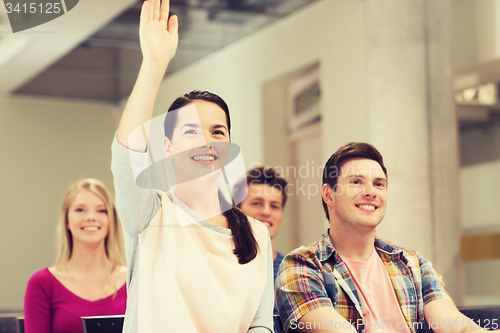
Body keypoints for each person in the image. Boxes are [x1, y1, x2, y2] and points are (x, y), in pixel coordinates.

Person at [111, 0, 273, 332]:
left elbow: (260, 324)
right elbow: (127, 155)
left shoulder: (257, 234)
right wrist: (154, 64)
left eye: (217, 132)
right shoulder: (150, 215)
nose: (207, 142)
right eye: (191, 131)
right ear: (167, 147)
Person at [275, 142, 499, 333]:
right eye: (356, 182)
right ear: (328, 194)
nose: (371, 191)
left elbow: (456, 326)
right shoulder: (301, 266)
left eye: (379, 184)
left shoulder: (412, 264)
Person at [23, 179, 127, 333]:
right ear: (67, 221)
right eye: (80, 210)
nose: (91, 217)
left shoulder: (134, 280)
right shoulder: (42, 283)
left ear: (111, 221)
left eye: (101, 210)